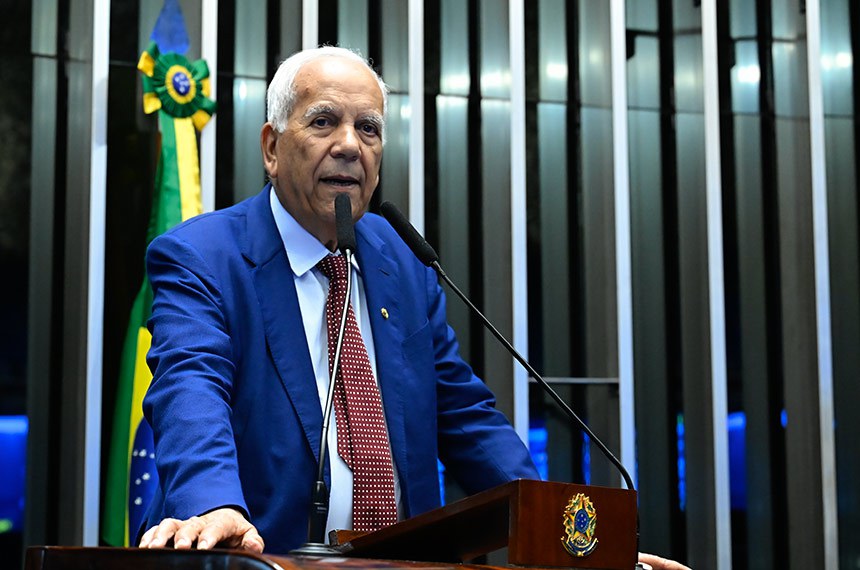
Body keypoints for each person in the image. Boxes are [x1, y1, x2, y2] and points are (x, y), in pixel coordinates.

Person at [137, 46, 690, 570]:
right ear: (272, 148)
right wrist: (210, 504)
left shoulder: (397, 260)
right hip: (268, 560)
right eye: (324, 122)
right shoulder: (203, 257)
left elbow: (466, 418)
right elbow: (191, 386)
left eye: (369, 128)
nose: (350, 145)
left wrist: (573, 544)